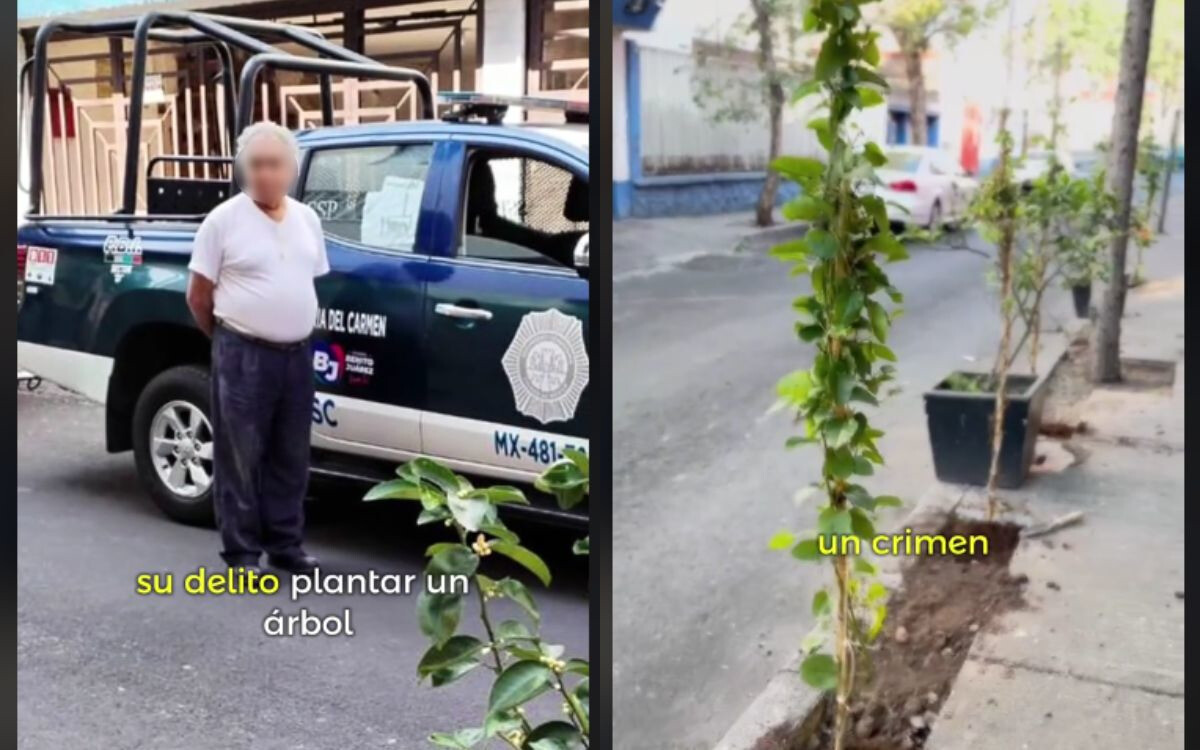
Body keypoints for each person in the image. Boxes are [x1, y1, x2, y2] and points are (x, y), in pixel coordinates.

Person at [185, 121, 329, 575]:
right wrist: (229, 339)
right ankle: (243, 554)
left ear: (292, 168)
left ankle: (286, 546)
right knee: (241, 457)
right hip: (242, 351)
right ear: (243, 169)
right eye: (256, 165)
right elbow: (197, 295)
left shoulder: (308, 218)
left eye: (275, 164)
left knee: (291, 454)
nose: (266, 174)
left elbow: (306, 279)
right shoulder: (223, 221)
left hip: (296, 354)